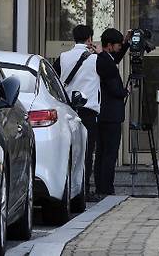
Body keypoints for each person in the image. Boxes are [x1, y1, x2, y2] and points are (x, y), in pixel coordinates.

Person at [55, 24, 100, 196]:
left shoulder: (63, 57)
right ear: (89, 39)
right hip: (88, 111)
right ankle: (84, 189)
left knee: (69, 151)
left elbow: (56, 80)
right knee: (87, 152)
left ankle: (68, 188)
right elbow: (111, 72)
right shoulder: (95, 59)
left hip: (67, 110)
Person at [94, 28, 130, 196]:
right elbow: (115, 89)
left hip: (102, 114)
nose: (119, 47)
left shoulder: (104, 58)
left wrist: (127, 42)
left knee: (101, 152)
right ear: (109, 45)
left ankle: (101, 186)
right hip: (111, 115)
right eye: (117, 44)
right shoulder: (105, 62)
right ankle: (106, 188)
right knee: (109, 153)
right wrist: (125, 91)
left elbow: (116, 57)